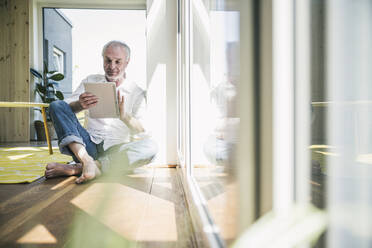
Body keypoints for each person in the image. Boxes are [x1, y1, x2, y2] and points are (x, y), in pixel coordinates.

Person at [45, 40, 157, 184]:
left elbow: (142, 131)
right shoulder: (90, 80)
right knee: (56, 105)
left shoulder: (136, 92)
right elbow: (64, 109)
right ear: (103, 58)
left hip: (116, 149)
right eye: (108, 61)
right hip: (87, 145)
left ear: (127, 63)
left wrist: (124, 117)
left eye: (118, 62)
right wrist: (80, 104)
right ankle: (87, 161)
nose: (112, 67)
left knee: (151, 147)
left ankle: (83, 167)